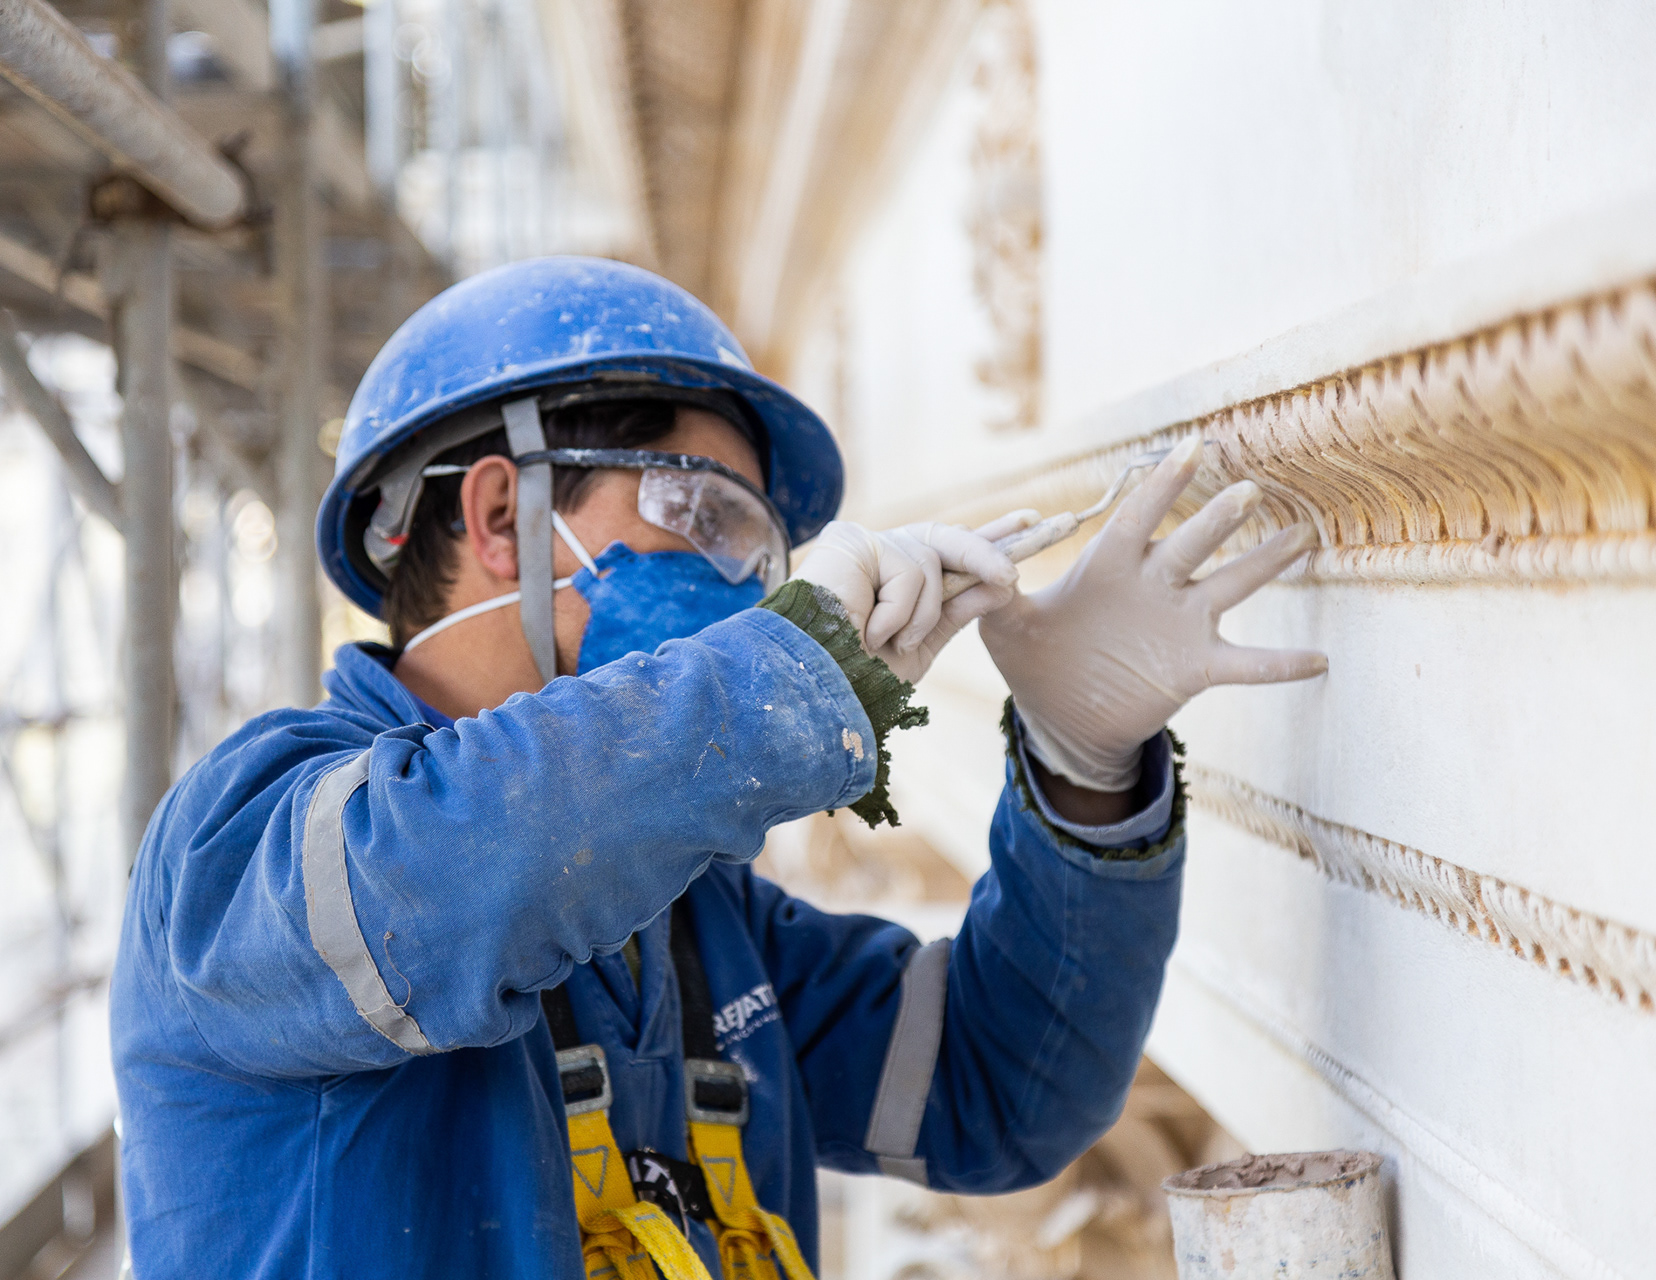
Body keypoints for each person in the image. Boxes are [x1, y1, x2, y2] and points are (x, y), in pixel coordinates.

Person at [110, 257, 1326, 1279]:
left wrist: (1082, 767)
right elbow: (441, 878)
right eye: (702, 516)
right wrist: (784, 676)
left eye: (763, 549)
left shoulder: (692, 929)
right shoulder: (236, 841)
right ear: (497, 518)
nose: (746, 582)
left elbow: (992, 1088)